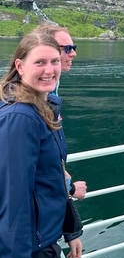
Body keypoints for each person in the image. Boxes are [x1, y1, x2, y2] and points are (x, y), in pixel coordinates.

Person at [0, 31, 83, 258]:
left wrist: (70, 229)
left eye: (54, 61)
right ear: (20, 66)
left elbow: (51, 179)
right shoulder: (20, 119)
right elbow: (14, 206)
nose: (49, 70)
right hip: (30, 257)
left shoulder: (42, 106)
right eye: (40, 63)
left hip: (43, 246)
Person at [33, 24, 86, 202]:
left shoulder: (50, 91)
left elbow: (46, 148)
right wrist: (70, 187)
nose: (73, 54)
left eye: (74, 48)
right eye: (68, 49)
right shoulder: (25, 107)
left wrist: (63, 173)